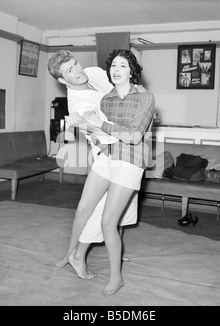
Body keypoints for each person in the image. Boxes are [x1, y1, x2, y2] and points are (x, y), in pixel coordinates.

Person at [66, 49, 155, 295]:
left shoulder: (145, 96)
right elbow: (103, 135)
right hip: (109, 156)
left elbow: (135, 136)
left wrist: (100, 124)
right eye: (113, 66)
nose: (116, 70)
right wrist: (91, 130)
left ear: (132, 71)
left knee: (107, 222)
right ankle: (73, 253)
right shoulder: (106, 99)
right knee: (85, 207)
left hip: (131, 159)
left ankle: (116, 278)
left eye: (123, 66)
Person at [47, 50, 140, 279]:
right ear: (62, 80)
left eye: (76, 63)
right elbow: (108, 132)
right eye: (70, 70)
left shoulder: (94, 72)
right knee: (90, 209)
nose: (78, 70)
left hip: (125, 150)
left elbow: (121, 89)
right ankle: (74, 254)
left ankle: (108, 250)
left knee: (120, 207)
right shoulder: (78, 106)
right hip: (109, 152)